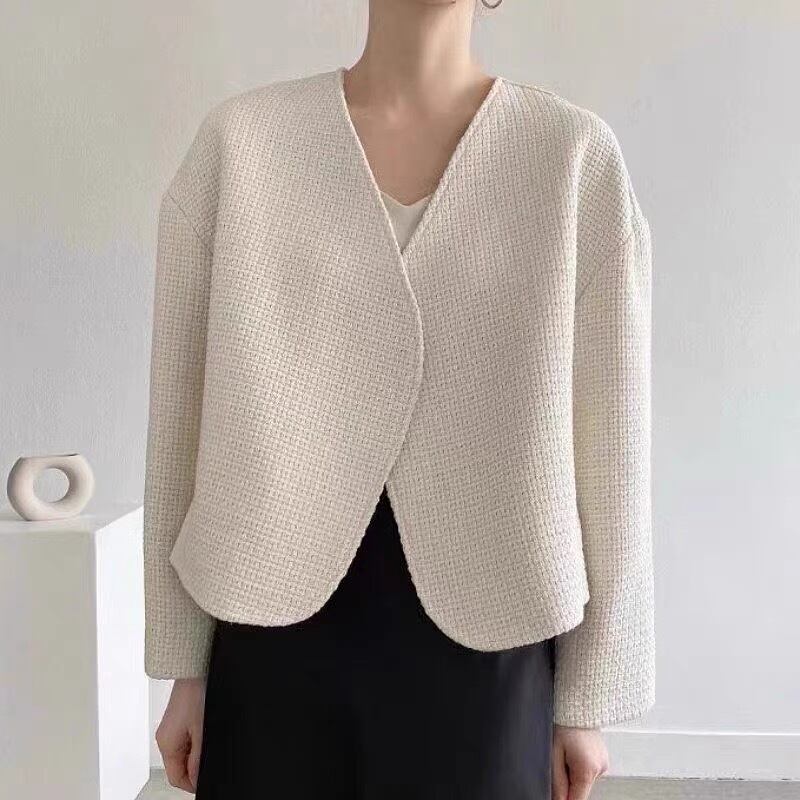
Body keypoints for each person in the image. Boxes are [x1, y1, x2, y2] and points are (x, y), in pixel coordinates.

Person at [143, 1, 655, 798]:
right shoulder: (242, 146)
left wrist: (587, 698)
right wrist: (185, 666)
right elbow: (180, 421)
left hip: (494, 617)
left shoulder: (569, 157)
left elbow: (612, 443)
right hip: (270, 615)